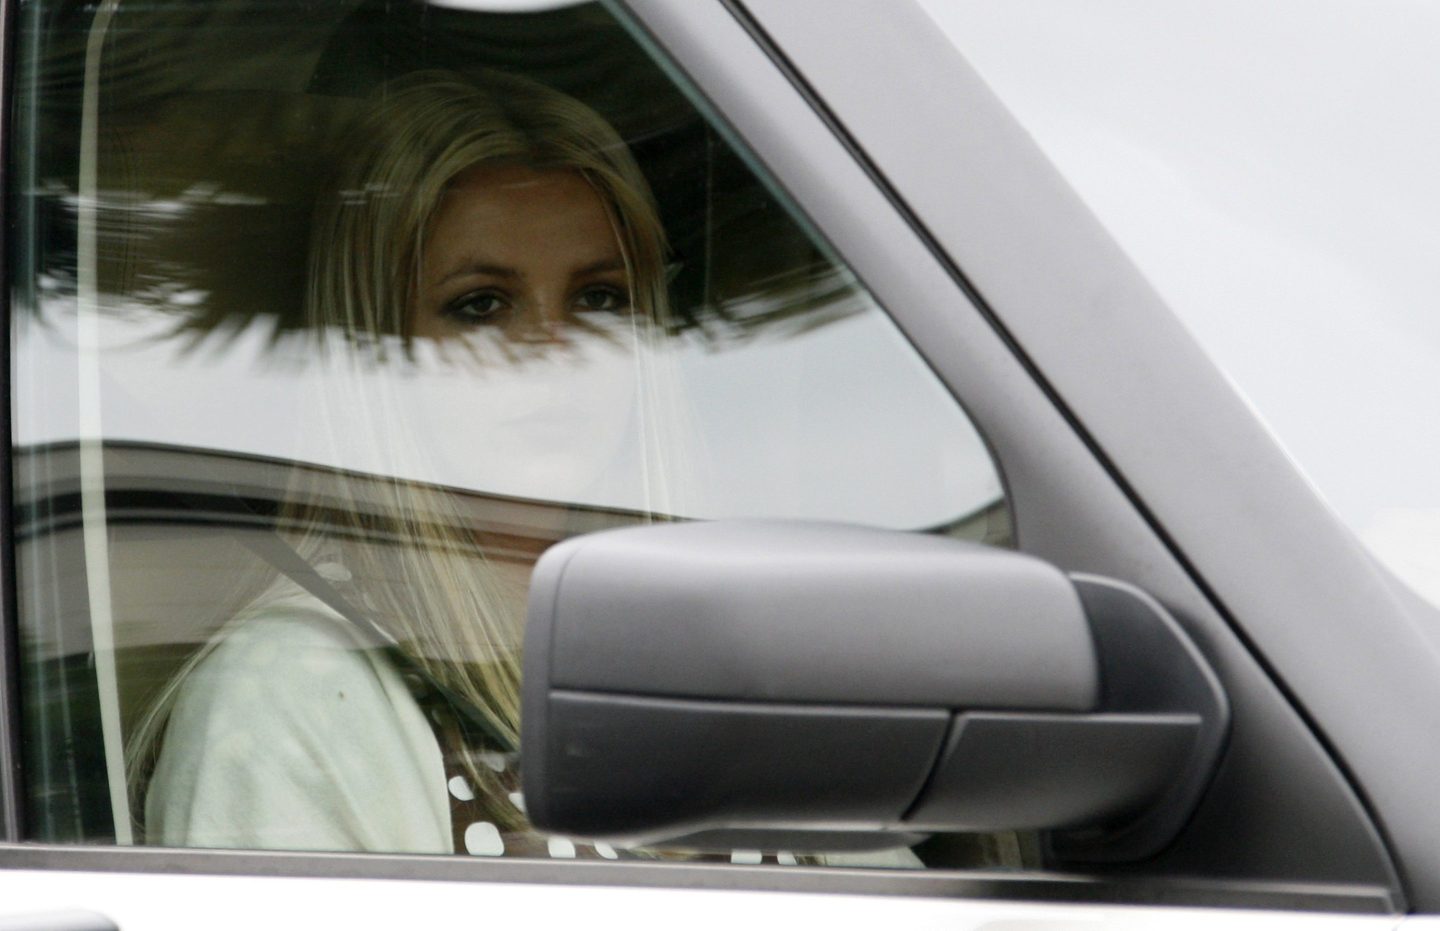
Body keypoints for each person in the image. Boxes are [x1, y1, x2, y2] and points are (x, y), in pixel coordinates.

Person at [125, 70, 674, 857]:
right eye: (482, 304)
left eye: (600, 298)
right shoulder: (290, 693)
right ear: (372, 345)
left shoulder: (713, 641)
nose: (556, 353)